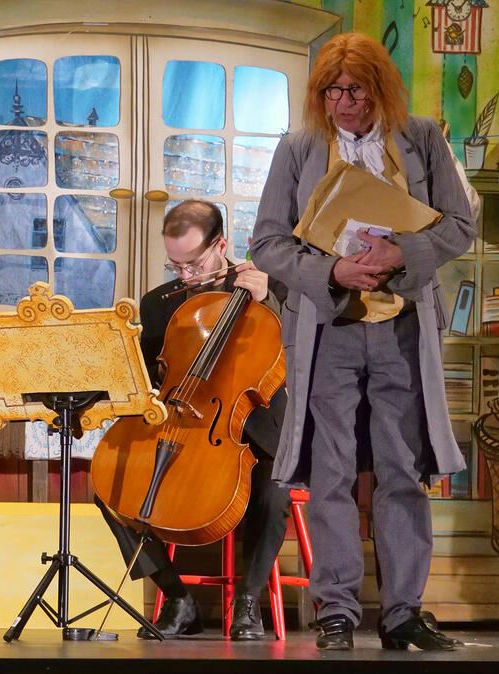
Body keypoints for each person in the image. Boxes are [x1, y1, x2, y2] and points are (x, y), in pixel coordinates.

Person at [250, 32, 473, 651]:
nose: (344, 103)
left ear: (381, 90)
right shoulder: (299, 147)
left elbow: (460, 225)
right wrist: (333, 271)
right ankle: (338, 612)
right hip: (330, 330)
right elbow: (267, 242)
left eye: (356, 91)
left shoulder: (421, 137)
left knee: (402, 470)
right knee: (332, 473)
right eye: (332, 92)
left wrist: (402, 252)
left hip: (402, 328)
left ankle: (402, 612)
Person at [96, 199, 290, 641]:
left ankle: (248, 602)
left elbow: (297, 350)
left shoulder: (266, 289)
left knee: (274, 489)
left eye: (193, 264)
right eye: (175, 265)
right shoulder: (159, 304)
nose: (184, 276)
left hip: (252, 428)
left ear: (221, 245)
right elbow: (147, 376)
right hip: (181, 426)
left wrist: (271, 302)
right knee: (112, 487)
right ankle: (177, 598)